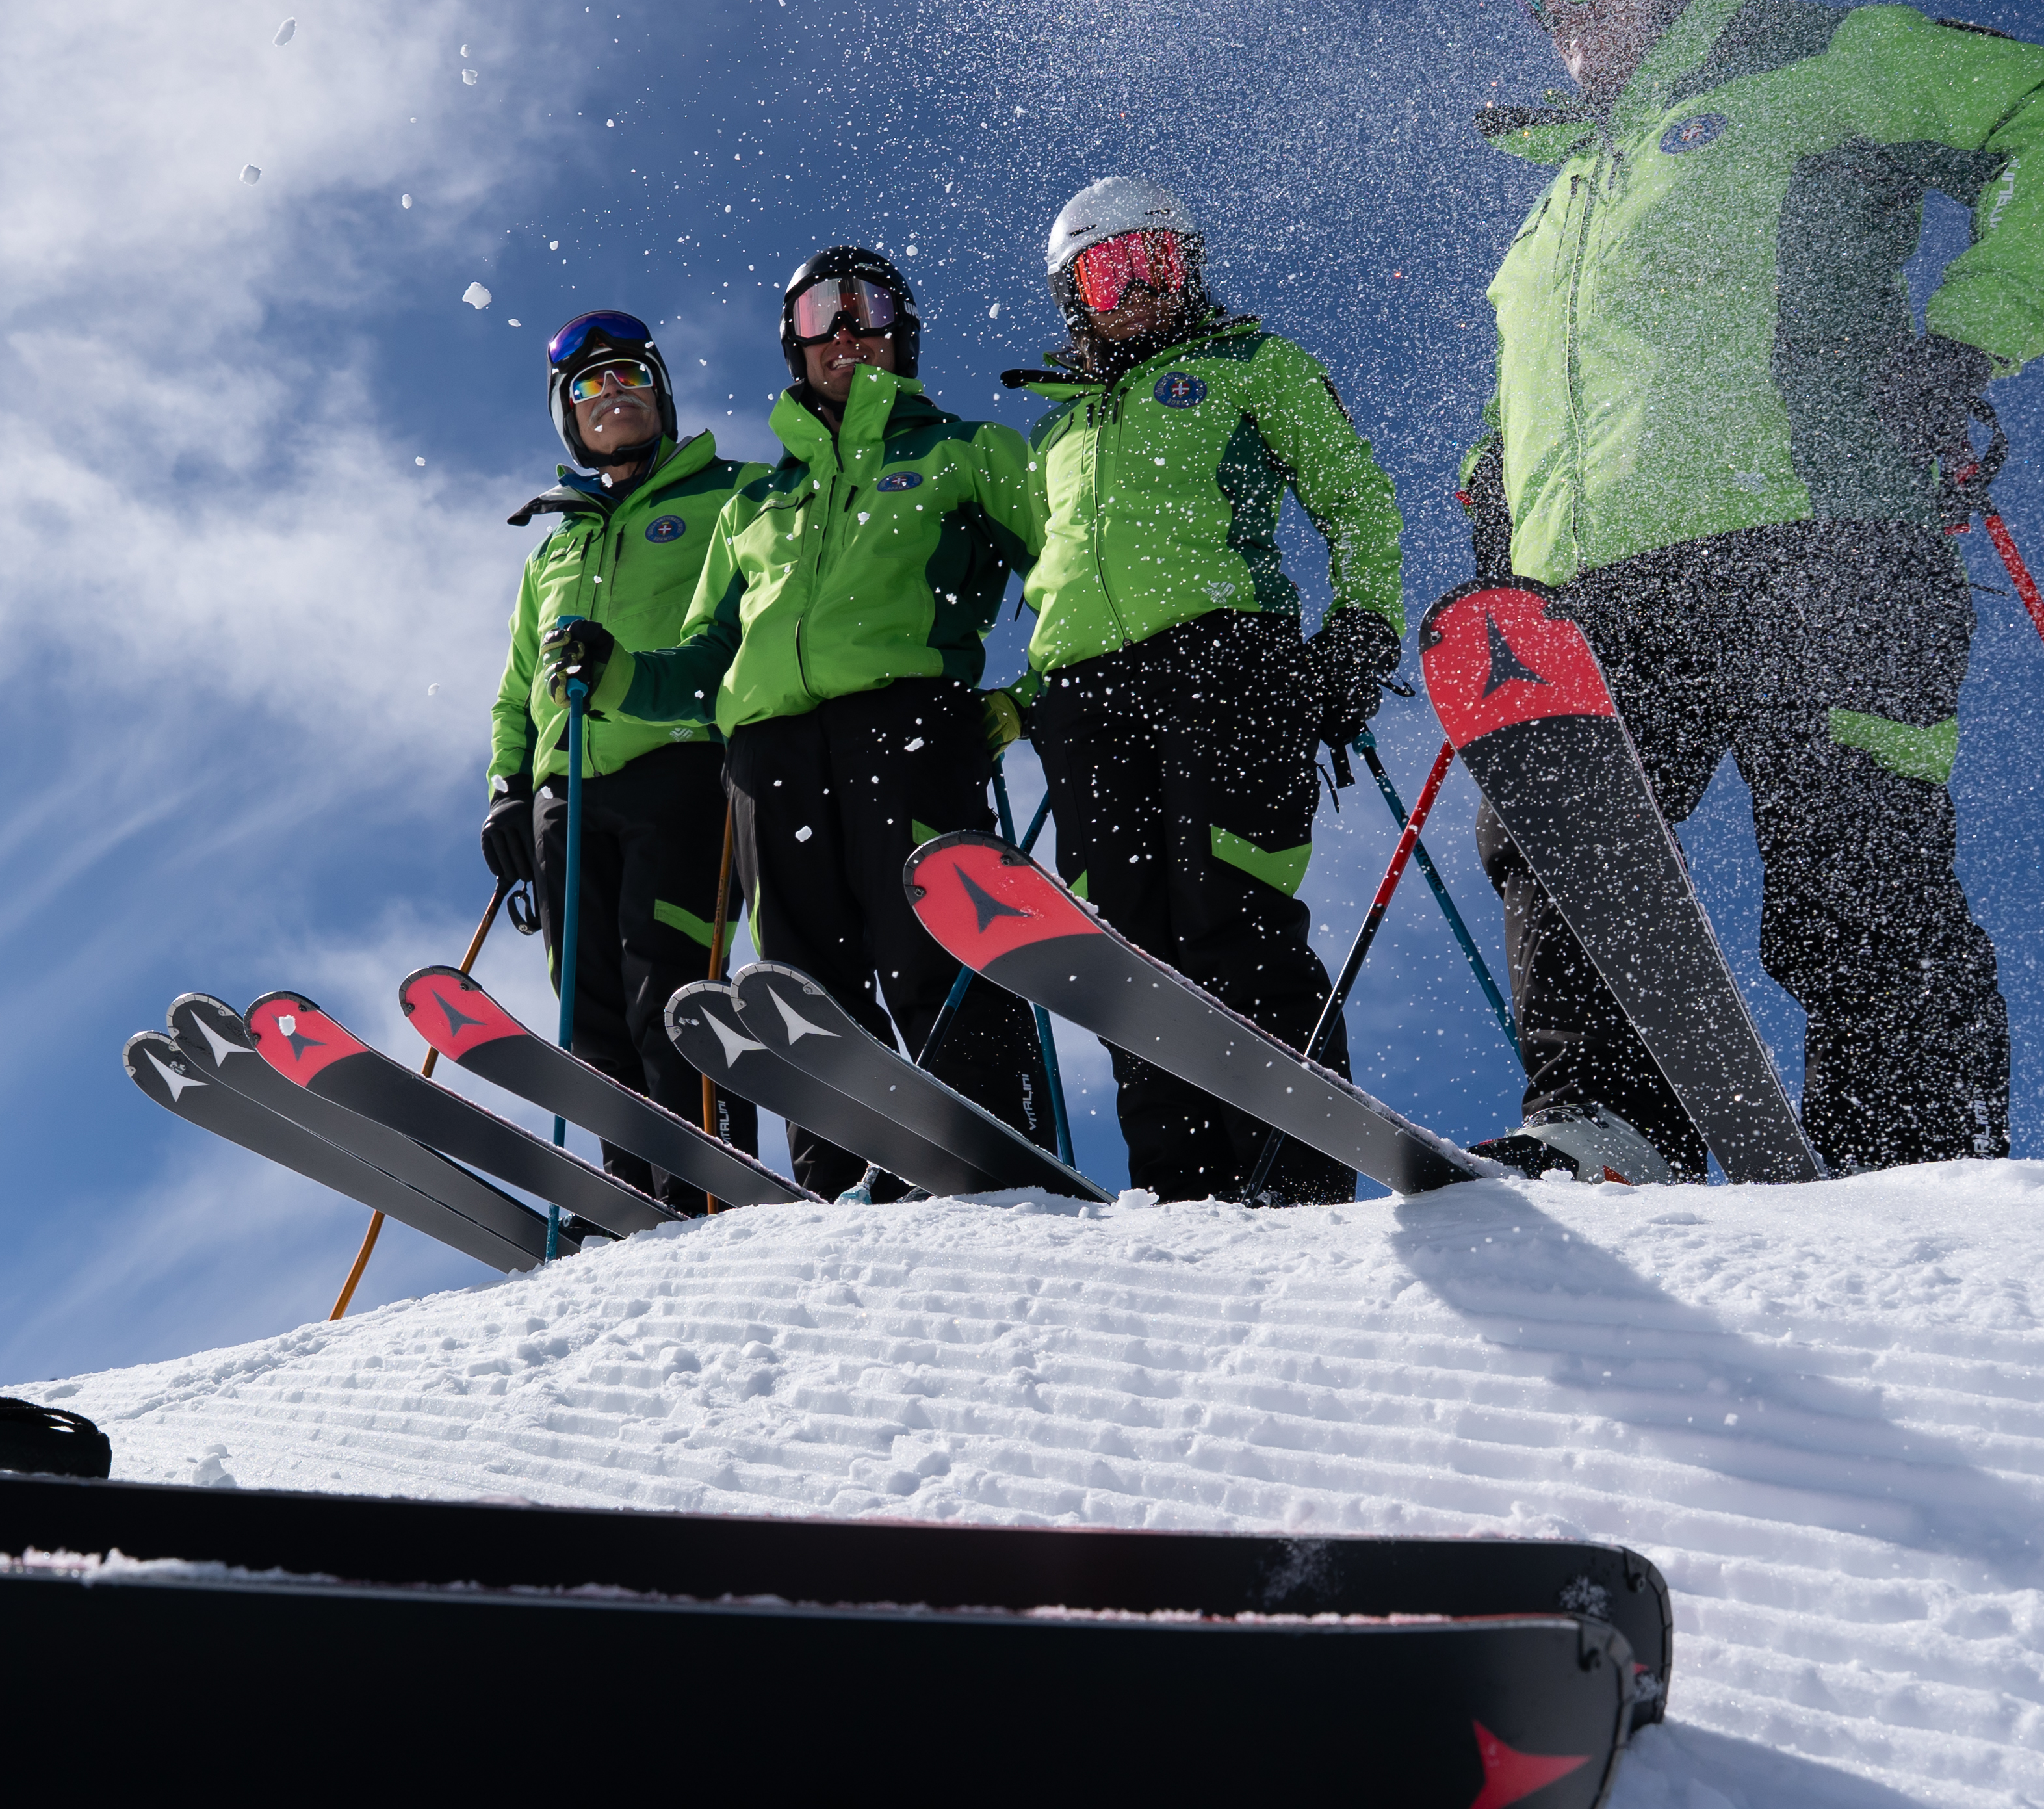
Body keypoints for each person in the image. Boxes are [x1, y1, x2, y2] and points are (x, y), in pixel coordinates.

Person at [1458, 0, 2044, 1180]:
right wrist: (1494, 485)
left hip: (1819, 528)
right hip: (1594, 578)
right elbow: (1559, 367)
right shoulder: (1563, 195)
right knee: (1570, 863)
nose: (1558, 1)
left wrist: (1969, 333)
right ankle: (1605, 1130)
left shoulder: (1816, 59)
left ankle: (1911, 1159)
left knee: (1853, 864)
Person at [577, 248, 1050, 1199]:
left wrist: (1028, 697)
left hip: (906, 723)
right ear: (791, 346)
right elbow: (706, 656)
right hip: (768, 755)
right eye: (816, 316)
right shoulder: (759, 499)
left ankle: (984, 1159)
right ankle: (839, 1181)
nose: (844, 332)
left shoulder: (965, 450)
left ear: (900, 331)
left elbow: (1068, 573)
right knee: (801, 989)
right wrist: (621, 671)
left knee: (932, 949)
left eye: (865, 308)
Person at [1001, 180, 1413, 1204]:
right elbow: (1054, 576)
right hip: (1088, 699)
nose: (1137, 287)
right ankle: (1182, 1198)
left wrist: (1360, 628)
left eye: (1158, 262)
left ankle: (1295, 1174)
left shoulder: (1251, 366)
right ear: (1074, 298)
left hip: (1228, 667)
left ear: (1191, 266)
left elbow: (1356, 498)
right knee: (1128, 960)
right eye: (1108, 271)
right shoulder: (1058, 433)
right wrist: (1024, 697)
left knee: (1232, 920)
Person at [481, 310, 764, 1210]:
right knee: (589, 1007)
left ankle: (707, 1184)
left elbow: (749, 628)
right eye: (588, 388)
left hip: (680, 769)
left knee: (669, 988)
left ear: (662, 395)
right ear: (567, 416)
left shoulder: (729, 497)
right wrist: (508, 790)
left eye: (629, 379)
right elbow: (517, 681)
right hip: (567, 792)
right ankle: (629, 1196)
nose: (612, 399)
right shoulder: (554, 546)